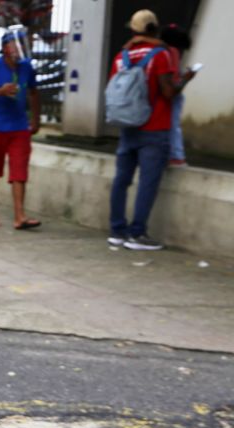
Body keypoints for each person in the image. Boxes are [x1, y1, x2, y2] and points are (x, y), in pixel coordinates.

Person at [107, 10, 194, 251]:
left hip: (127, 126)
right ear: (155, 28)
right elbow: (168, 92)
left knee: (121, 180)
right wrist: (186, 78)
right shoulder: (160, 55)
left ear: (134, 30)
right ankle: (137, 234)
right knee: (148, 181)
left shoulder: (121, 56)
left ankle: (116, 231)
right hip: (155, 127)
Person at [0, 27, 41, 230]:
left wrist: (35, 120)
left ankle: (20, 215)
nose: (20, 49)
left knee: (19, 170)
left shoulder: (26, 67)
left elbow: (34, 93)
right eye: (16, 44)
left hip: (19, 125)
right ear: (5, 47)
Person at [161, 24, 193, 167]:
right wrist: (186, 77)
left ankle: (171, 155)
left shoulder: (162, 51)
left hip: (163, 95)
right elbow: (174, 80)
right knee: (174, 125)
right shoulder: (172, 52)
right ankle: (177, 156)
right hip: (173, 95)